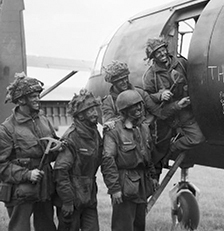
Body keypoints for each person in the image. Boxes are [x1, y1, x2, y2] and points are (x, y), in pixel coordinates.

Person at [0, 72, 60, 231]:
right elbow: (2, 166)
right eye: (33, 96)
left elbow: (52, 147)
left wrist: (58, 148)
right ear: (21, 100)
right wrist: (27, 174)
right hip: (20, 192)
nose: (37, 99)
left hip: (45, 187)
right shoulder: (7, 129)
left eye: (37, 95)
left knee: (47, 227)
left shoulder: (43, 120)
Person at [142, 36, 206, 172]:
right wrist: (160, 95)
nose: (162, 54)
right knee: (159, 149)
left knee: (197, 138)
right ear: (153, 56)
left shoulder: (181, 63)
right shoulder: (150, 75)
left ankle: (174, 147)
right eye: (157, 53)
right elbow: (147, 96)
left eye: (163, 50)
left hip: (186, 113)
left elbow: (194, 78)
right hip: (166, 117)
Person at [101, 89, 158, 231]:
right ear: (124, 110)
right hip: (125, 187)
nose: (139, 108)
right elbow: (108, 161)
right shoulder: (114, 131)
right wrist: (114, 188)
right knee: (123, 227)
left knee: (139, 226)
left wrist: (153, 176)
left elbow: (147, 156)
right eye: (134, 106)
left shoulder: (143, 128)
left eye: (140, 105)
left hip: (142, 186)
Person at [54, 89, 102, 231]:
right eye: (90, 110)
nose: (95, 113)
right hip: (71, 198)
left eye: (95, 109)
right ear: (80, 115)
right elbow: (61, 171)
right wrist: (67, 201)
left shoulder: (95, 133)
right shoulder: (71, 137)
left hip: (89, 197)